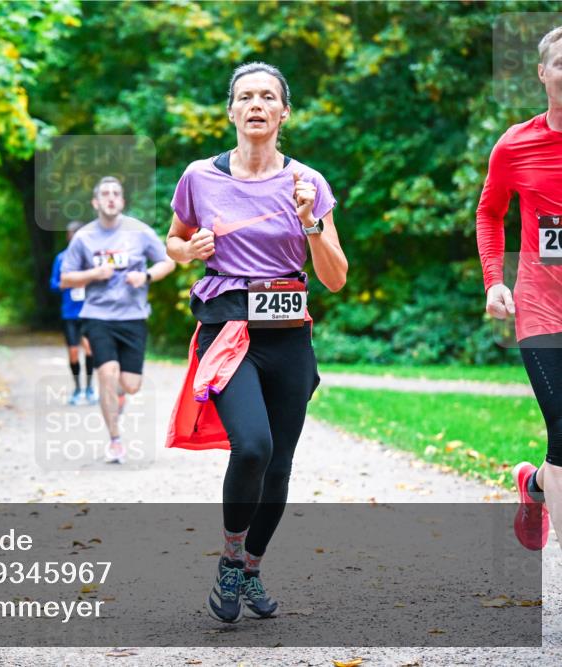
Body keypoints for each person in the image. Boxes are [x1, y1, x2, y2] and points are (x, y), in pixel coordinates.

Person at [165, 62, 347, 623]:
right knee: (252, 446)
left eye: (268, 96)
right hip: (228, 331)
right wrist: (186, 252)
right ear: (231, 111)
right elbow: (172, 240)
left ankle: (251, 567)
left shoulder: (308, 182)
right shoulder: (200, 176)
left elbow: (336, 277)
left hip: (288, 333)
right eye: (245, 97)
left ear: (284, 111)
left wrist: (310, 222)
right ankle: (227, 558)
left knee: (281, 464)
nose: (257, 105)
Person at [476, 25, 562, 551]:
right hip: (541, 307)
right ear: (542, 74)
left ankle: (533, 485)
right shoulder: (516, 143)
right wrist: (494, 281)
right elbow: (490, 212)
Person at [60, 176, 175, 463]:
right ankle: (115, 440)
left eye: (116, 194)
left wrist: (145, 276)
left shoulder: (139, 232)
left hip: (133, 316)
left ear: (122, 201)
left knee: (131, 384)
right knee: (107, 374)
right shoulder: (84, 237)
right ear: (96, 202)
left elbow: (168, 261)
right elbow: (65, 278)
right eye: (105, 194)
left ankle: (117, 395)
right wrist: (92, 275)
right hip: (97, 316)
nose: (111, 198)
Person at [50, 221, 96, 406]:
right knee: (73, 353)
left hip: (89, 312)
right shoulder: (61, 259)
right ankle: (77, 388)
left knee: (90, 350)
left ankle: (90, 388)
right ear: (68, 237)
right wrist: (66, 283)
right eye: (71, 234)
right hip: (69, 313)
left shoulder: (91, 259)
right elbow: (53, 284)